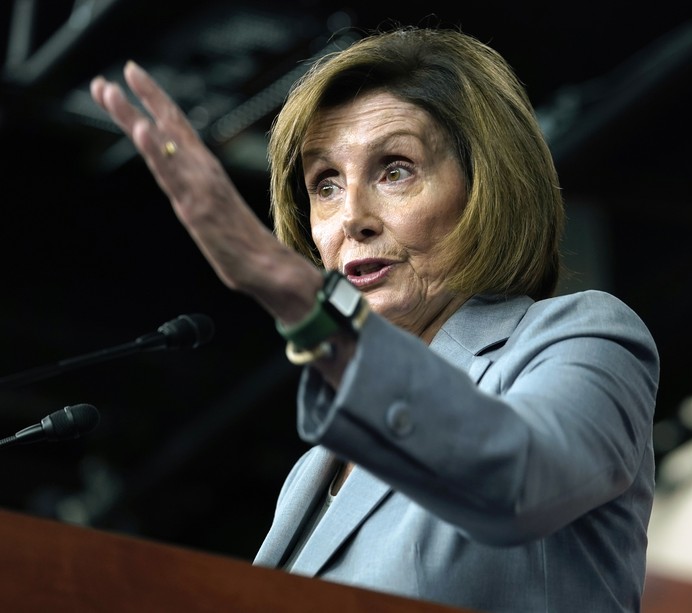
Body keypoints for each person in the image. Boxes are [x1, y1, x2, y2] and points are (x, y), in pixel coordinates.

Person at [90, 24, 659, 613]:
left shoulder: (584, 339)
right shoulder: (312, 473)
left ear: (486, 187)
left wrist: (286, 285)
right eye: (325, 184)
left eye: (395, 170)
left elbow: (517, 483)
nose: (351, 219)